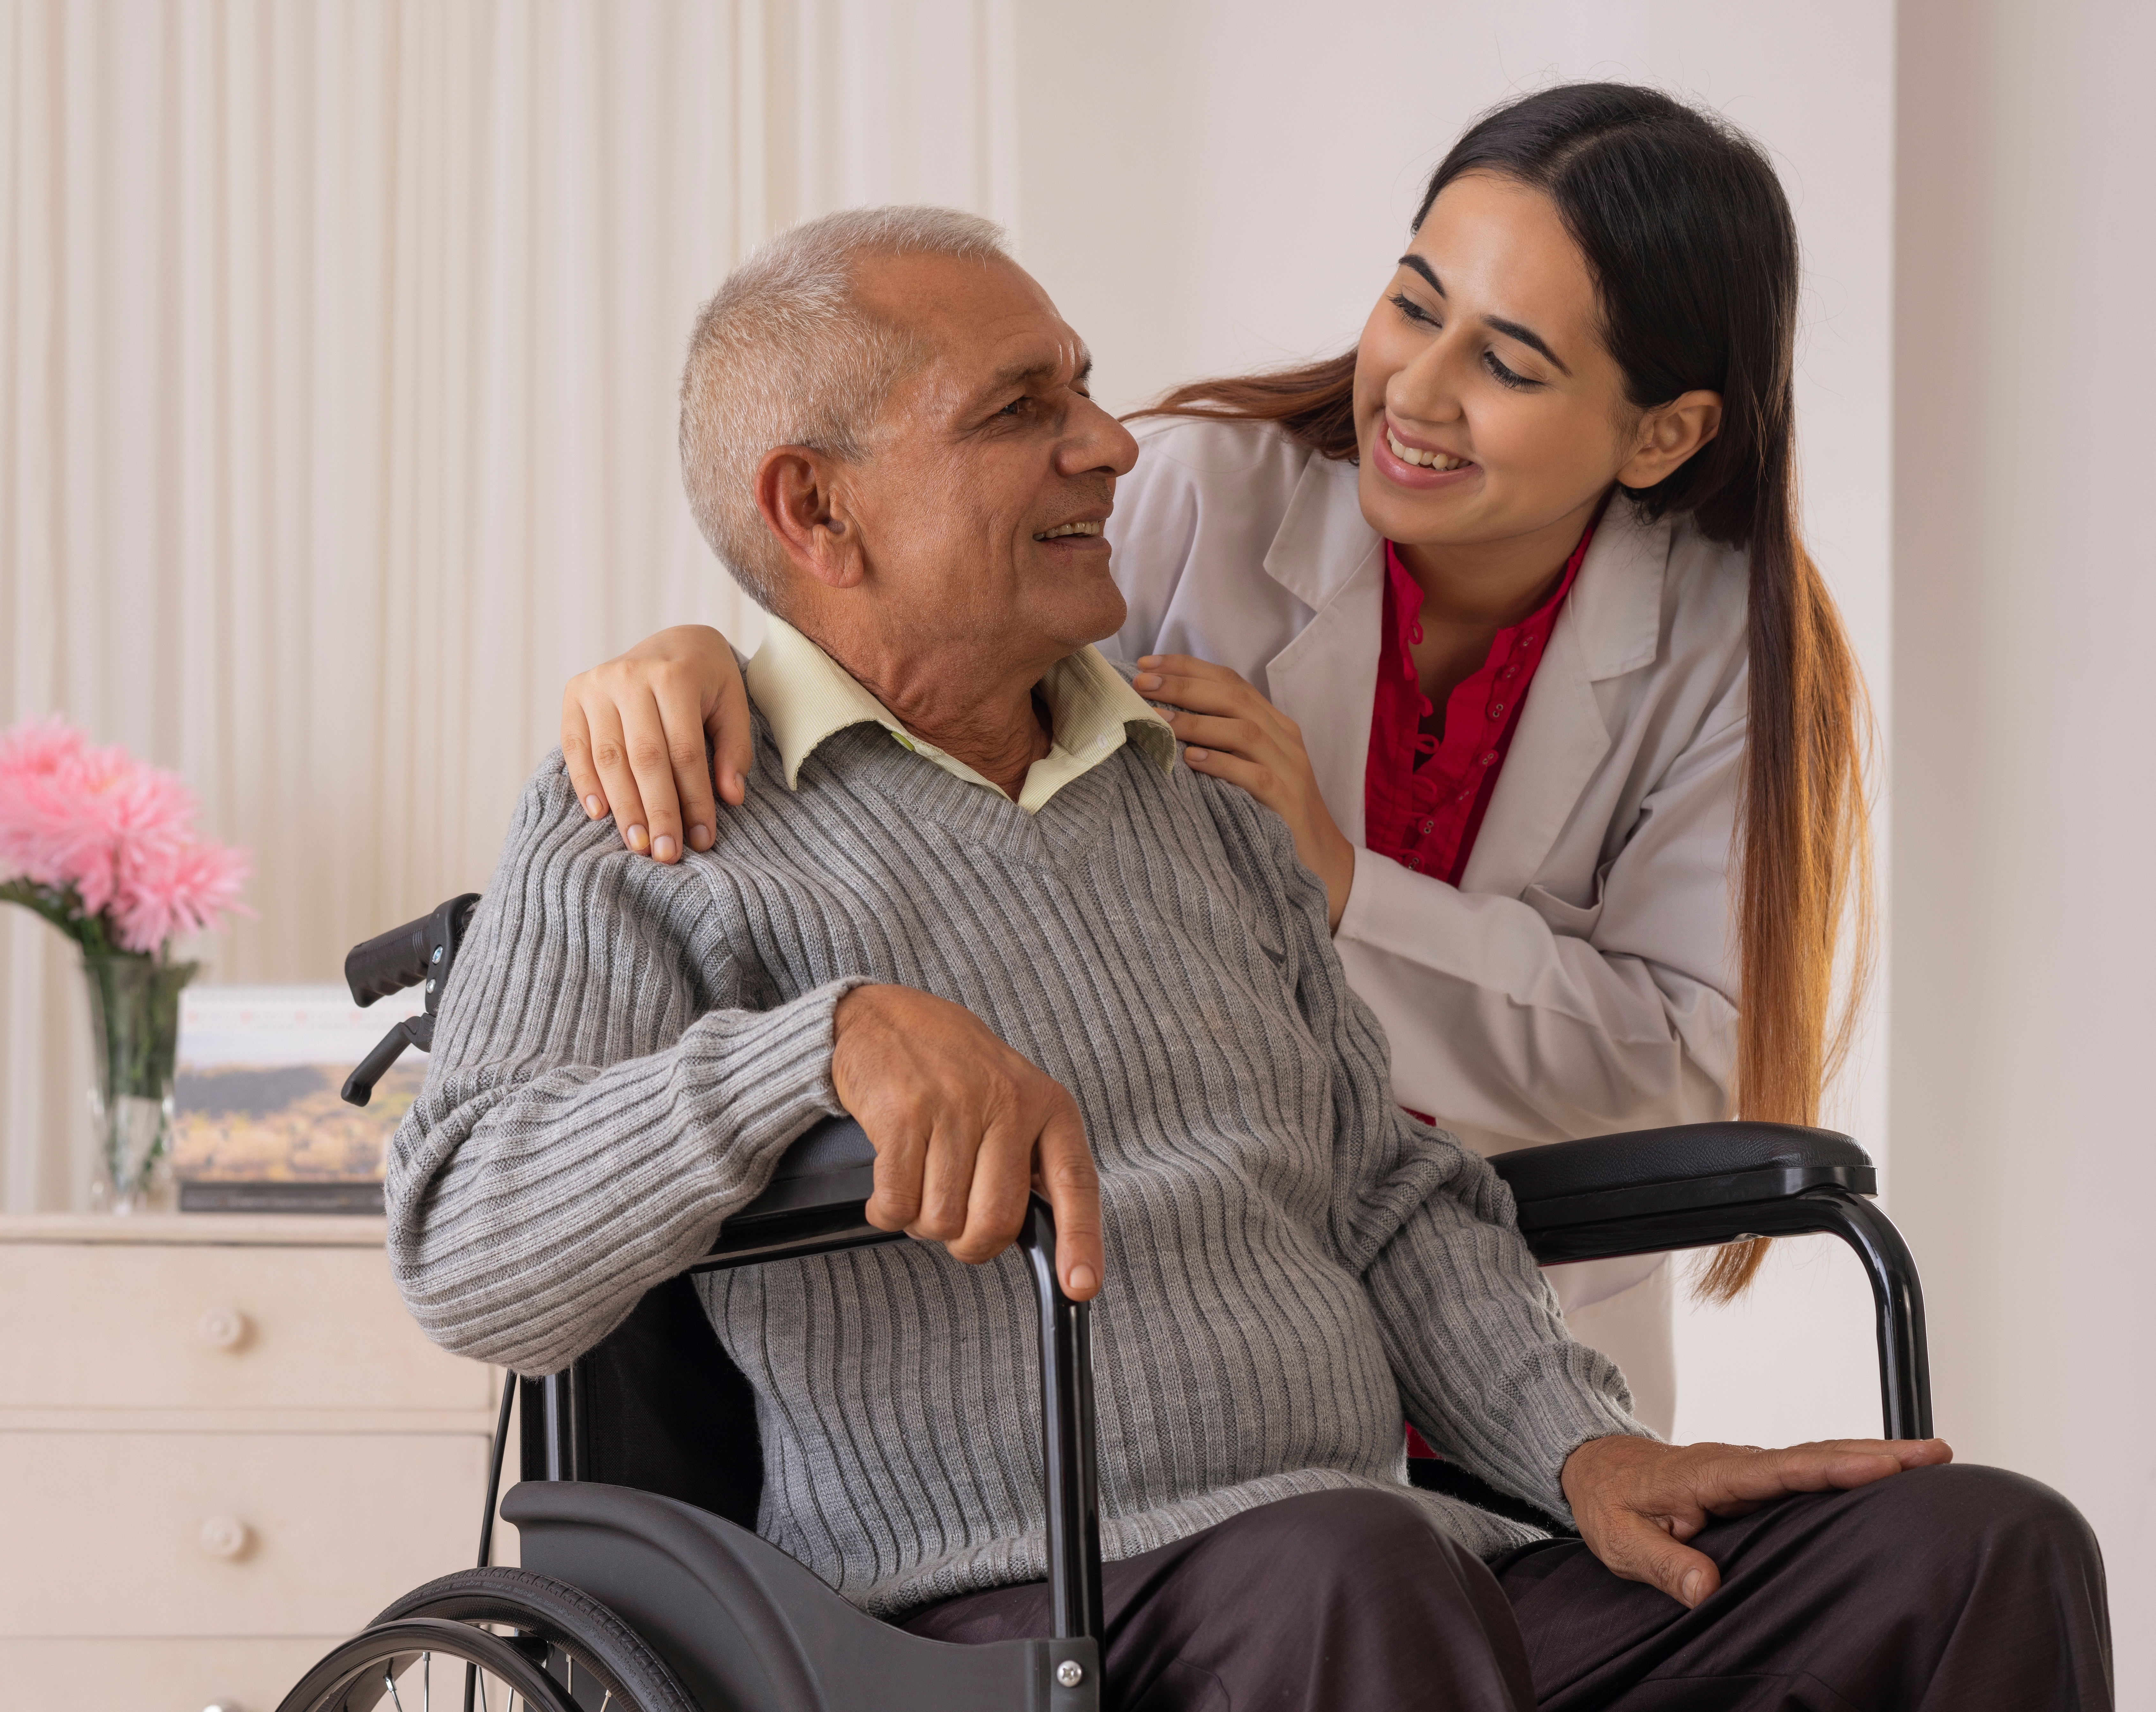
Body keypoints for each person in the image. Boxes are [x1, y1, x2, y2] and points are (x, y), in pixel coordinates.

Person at [391, 206, 2110, 1707]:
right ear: (817, 512)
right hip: (1012, 1605)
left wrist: (1579, 1448)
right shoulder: (660, 810)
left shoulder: (1193, 792)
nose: (1110, 447)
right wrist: (811, 1050)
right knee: (1351, 1575)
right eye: (1023, 412)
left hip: (1383, 1563)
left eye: (1083, 385)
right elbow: (464, 1242)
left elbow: (1387, 1191)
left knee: (1973, 1549)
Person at [548, 85, 1874, 1436]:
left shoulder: (1733, 646)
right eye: (1414, 305)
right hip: (1190, 1311)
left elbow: (1689, 1069)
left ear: (1663, 432)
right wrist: (718, 657)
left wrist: (1338, 888)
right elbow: (908, 670)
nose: (1412, 392)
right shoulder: (1192, 500)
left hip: (1519, 1320)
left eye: (1508, 365)